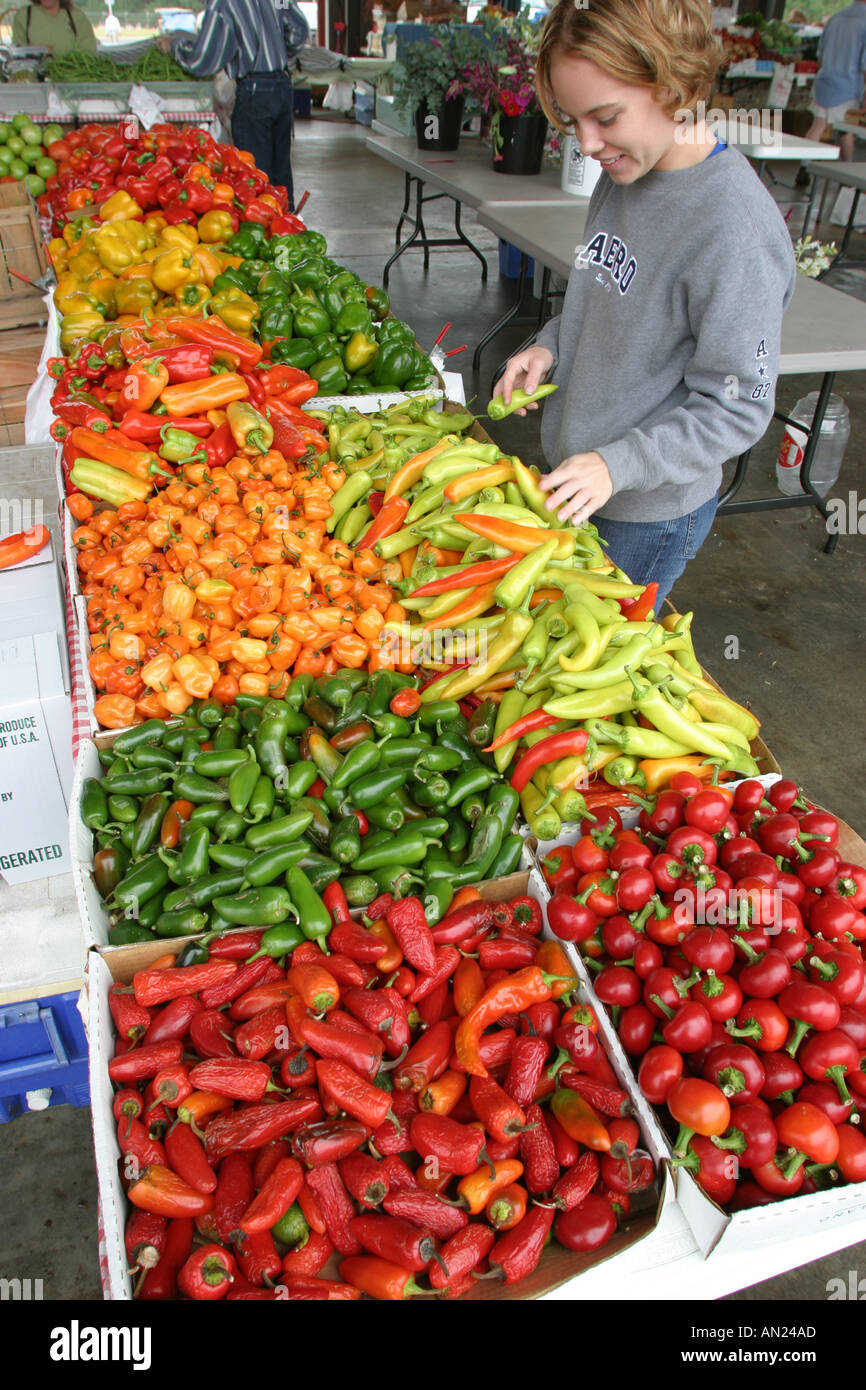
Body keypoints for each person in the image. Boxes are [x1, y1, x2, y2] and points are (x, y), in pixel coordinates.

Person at [494, 0, 796, 608]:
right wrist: (551, 344)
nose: (587, 143)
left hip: (646, 514)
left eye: (604, 116)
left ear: (674, 84)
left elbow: (738, 407)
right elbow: (604, 293)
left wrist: (617, 464)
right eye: (573, 120)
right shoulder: (626, 171)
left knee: (596, 668)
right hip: (589, 480)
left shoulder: (733, 232)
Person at [157, 0, 309, 208]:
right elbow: (299, 31)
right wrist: (274, 51)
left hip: (254, 91)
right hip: (282, 85)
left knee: (255, 177)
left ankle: (267, 231)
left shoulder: (222, 3)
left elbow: (204, 60)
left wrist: (173, 46)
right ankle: (289, 230)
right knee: (280, 174)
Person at [795, 0, 866, 184]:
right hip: (847, 85)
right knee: (844, 130)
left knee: (817, 126)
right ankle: (847, 174)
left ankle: (804, 167)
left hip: (824, 81)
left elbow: (820, 54)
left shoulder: (835, 18)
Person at [11, 0, 97, 53]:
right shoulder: (23, 16)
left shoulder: (77, 17)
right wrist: (38, 50)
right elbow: (17, 53)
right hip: (34, 81)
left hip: (70, 80)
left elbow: (89, 53)